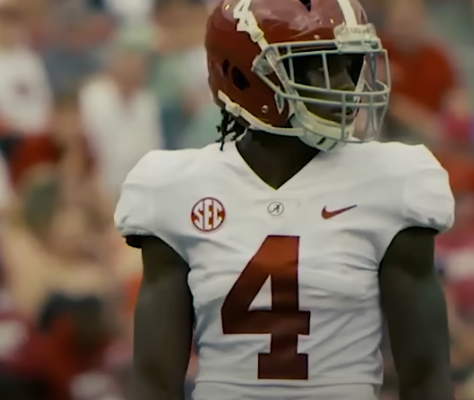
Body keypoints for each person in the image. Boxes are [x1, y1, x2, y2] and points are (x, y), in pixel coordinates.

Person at [114, 1, 455, 400]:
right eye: (319, 67)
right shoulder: (176, 187)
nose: (345, 86)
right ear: (242, 74)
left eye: (349, 65)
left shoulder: (394, 180)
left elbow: (426, 375)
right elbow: (155, 382)